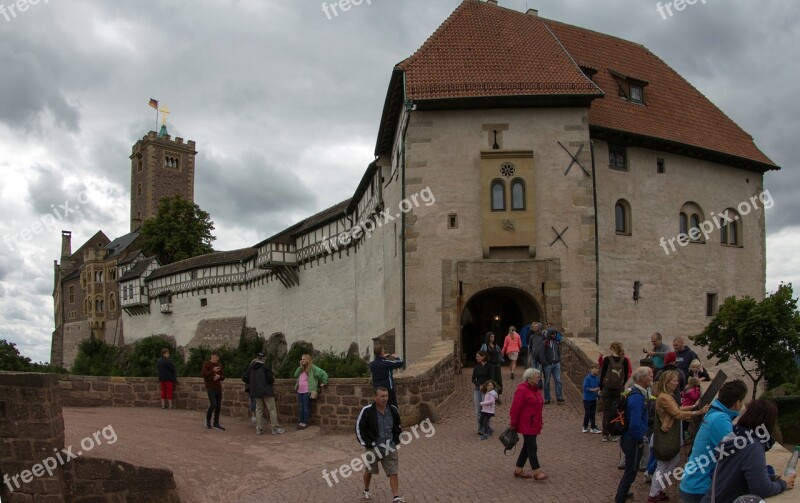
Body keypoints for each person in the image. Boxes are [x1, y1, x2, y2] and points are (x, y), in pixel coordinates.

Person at [700, 399, 795, 502]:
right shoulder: (753, 446)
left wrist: (773, 478)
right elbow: (762, 490)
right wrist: (783, 484)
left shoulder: (735, 437)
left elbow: (737, 474)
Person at [679, 379, 748, 503]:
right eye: (743, 401)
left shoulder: (714, 412)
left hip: (693, 483)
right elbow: (736, 453)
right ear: (737, 403)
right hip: (700, 487)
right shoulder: (720, 419)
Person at [648, 371, 709, 503]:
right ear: (667, 382)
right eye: (674, 381)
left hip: (669, 435)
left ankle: (657, 490)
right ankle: (653, 494)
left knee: (672, 463)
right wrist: (697, 412)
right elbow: (677, 414)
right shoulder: (664, 397)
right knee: (662, 465)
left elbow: (678, 408)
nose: (677, 383)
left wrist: (693, 406)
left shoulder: (667, 396)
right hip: (666, 436)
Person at [356, 387, 406, 503]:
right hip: (373, 448)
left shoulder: (393, 410)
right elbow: (360, 428)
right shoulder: (367, 410)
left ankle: (396, 497)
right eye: (382, 396)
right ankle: (366, 490)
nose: (385, 398)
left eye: (386, 396)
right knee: (369, 470)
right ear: (375, 397)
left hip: (390, 446)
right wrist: (367, 443)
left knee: (393, 471)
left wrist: (395, 440)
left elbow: (398, 426)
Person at [615, 366, 653, 503]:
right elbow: (635, 423)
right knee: (631, 471)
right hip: (632, 439)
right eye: (650, 375)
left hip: (628, 437)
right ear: (642, 378)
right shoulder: (637, 397)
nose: (652, 378)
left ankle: (624, 492)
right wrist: (639, 440)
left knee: (631, 470)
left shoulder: (632, 391)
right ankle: (620, 497)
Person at [509, 367, 548, 480]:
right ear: (529, 378)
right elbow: (515, 408)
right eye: (536, 376)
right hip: (526, 423)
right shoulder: (522, 390)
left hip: (534, 423)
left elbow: (538, 408)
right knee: (532, 446)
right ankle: (537, 471)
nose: (538, 378)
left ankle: (518, 469)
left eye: (539, 376)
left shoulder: (536, 390)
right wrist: (513, 423)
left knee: (527, 446)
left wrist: (540, 421)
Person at [248, 352, 285, 435]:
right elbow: (270, 380)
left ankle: (259, 428)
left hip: (256, 391)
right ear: (264, 358)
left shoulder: (252, 368)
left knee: (258, 409)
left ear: (257, 358)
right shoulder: (265, 367)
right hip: (266, 391)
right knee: (271, 409)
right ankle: (275, 428)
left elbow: (247, 378)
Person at [600, 342, 631, 441]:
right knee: (616, 411)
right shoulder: (624, 360)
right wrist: (621, 385)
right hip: (618, 389)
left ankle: (605, 434)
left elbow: (603, 375)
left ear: (612, 348)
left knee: (606, 410)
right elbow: (626, 376)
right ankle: (613, 433)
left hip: (607, 389)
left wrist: (601, 387)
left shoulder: (607, 360)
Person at [294, 353, 328, 429]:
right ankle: (301, 422)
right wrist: (300, 367)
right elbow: (295, 375)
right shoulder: (301, 368)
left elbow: (323, 373)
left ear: (308, 360)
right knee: (301, 407)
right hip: (300, 391)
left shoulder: (313, 368)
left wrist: (324, 382)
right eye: (301, 359)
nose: (302, 360)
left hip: (307, 391)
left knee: (305, 407)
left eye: (304, 359)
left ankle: (304, 423)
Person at [369, 345, 404, 409]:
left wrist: (383, 358)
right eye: (383, 350)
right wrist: (396, 357)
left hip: (377, 389)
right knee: (393, 408)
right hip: (387, 389)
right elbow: (400, 363)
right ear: (381, 352)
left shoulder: (372, 364)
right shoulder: (385, 363)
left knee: (380, 408)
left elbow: (378, 364)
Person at [537, 328, 564, 404]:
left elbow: (558, 353)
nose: (554, 335)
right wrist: (545, 363)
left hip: (556, 364)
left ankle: (559, 397)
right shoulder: (544, 343)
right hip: (548, 365)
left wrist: (558, 361)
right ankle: (547, 398)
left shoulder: (556, 343)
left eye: (555, 334)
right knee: (547, 382)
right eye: (552, 334)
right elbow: (541, 355)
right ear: (549, 334)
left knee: (558, 381)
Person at [201, 351, 226, 430]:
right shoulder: (206, 364)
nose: (217, 358)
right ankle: (207, 420)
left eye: (218, 357)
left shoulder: (219, 365)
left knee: (218, 406)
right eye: (215, 356)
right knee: (213, 404)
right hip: (210, 387)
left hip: (218, 387)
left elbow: (223, 376)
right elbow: (204, 374)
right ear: (211, 356)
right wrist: (213, 371)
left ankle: (216, 423)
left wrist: (219, 376)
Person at [471, 350, 492, 435]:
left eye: (478, 356)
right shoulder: (476, 367)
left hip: (486, 390)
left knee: (486, 409)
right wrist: (479, 385)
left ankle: (487, 427)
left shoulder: (490, 366)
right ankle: (480, 427)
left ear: (483, 356)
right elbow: (473, 379)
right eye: (476, 356)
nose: (477, 358)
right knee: (478, 410)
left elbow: (492, 378)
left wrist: (485, 385)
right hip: (477, 389)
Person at [582, 364, 601, 433]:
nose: (597, 370)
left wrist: (598, 394)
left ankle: (593, 427)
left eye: (598, 368)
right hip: (587, 399)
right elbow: (585, 388)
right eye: (596, 368)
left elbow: (599, 387)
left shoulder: (597, 378)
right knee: (588, 413)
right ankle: (585, 426)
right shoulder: (587, 378)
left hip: (593, 399)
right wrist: (593, 390)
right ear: (592, 369)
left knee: (593, 413)